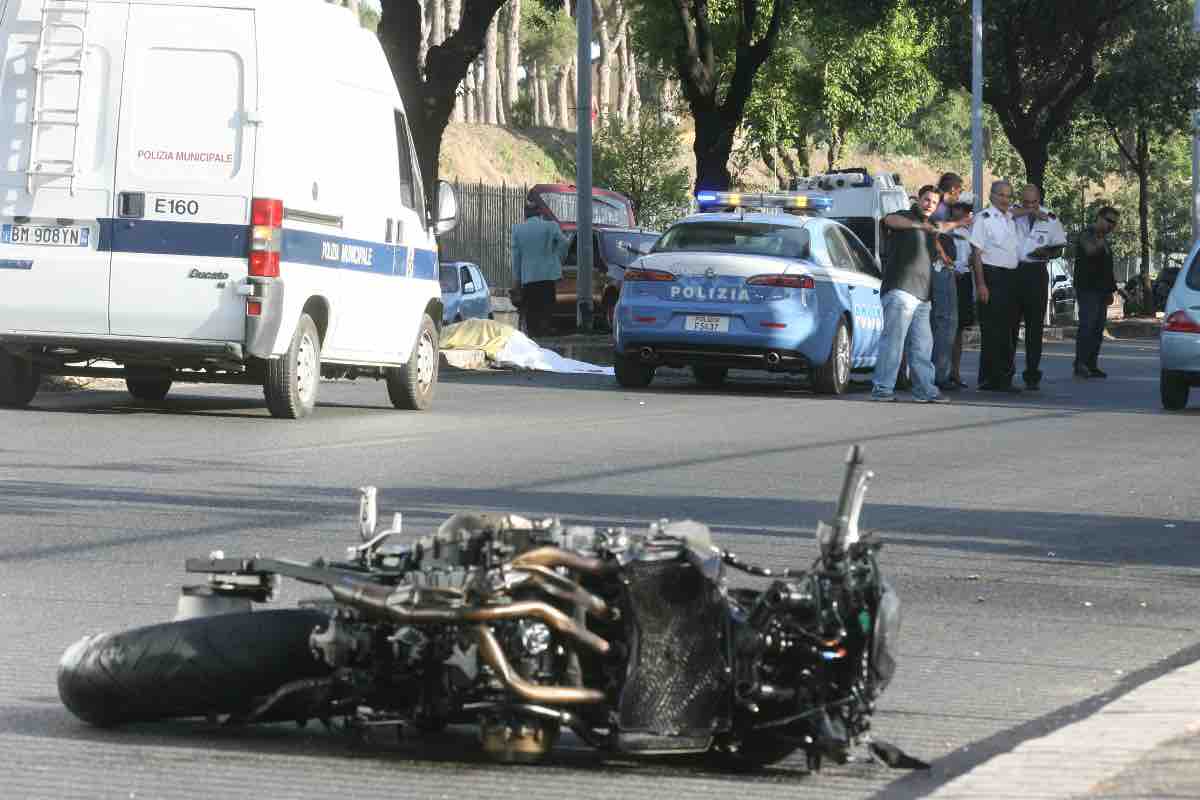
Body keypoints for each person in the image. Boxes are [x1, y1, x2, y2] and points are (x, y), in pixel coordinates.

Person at [870, 185, 968, 403]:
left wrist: (960, 223)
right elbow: (889, 220)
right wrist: (919, 226)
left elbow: (942, 226)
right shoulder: (906, 216)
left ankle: (925, 390)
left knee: (923, 345)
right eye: (926, 200)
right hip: (900, 290)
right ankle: (882, 389)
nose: (929, 205)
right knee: (893, 342)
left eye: (934, 202)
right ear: (918, 199)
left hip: (923, 296)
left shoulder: (932, 226)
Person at [1008, 184, 1067, 391]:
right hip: (1013, 271)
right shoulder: (1011, 213)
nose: (1030, 206)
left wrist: (1048, 252)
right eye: (1026, 202)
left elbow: (1059, 247)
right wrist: (1027, 212)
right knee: (1010, 326)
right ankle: (1006, 372)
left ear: (1039, 200)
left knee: (1034, 328)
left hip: (1036, 271)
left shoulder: (1050, 218)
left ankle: (1032, 374)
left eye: (1034, 203)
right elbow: (1002, 218)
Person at [969, 180, 1023, 393]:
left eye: (1008, 196)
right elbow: (976, 254)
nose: (1005, 199)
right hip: (992, 276)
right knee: (993, 330)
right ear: (991, 195)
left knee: (1009, 329)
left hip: (1011, 277)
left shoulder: (1010, 219)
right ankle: (990, 379)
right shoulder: (983, 219)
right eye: (1001, 195)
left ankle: (1005, 377)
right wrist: (981, 284)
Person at [1073, 206, 1120, 378]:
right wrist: (1100, 238)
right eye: (1109, 221)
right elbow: (1090, 251)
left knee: (1098, 328)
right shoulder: (1087, 234)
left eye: (1114, 223)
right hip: (1088, 288)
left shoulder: (1104, 240)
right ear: (1099, 217)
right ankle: (1080, 364)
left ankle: (1091, 364)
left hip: (1101, 290)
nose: (1111, 226)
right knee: (1087, 326)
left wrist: (1111, 291)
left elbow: (1107, 268)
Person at [511, 198, 567, 337]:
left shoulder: (518, 230)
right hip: (548, 276)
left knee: (531, 309)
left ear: (525, 214)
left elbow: (516, 257)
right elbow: (564, 243)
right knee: (547, 307)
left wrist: (517, 279)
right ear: (540, 213)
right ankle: (546, 332)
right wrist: (557, 259)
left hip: (528, 277)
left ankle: (533, 335)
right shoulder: (551, 226)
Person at [947, 196, 976, 389]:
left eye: (966, 209)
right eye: (958, 208)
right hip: (949, 277)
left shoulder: (969, 231)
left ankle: (955, 372)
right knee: (945, 327)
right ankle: (942, 371)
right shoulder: (947, 228)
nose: (962, 212)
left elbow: (973, 256)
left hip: (964, 279)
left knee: (959, 329)